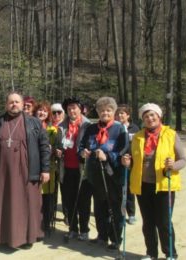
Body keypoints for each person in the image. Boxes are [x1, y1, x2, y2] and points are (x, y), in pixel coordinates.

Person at [0, 92, 50, 249]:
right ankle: (1, 237)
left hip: (27, 171)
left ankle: (26, 237)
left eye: (17, 102)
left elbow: (44, 147)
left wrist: (45, 169)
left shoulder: (34, 123)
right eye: (11, 102)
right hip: (1, 172)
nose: (14, 104)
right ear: (6, 105)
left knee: (27, 204)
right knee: (2, 203)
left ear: (22, 104)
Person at [121, 103, 186, 260]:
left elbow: (183, 160)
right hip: (143, 185)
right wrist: (127, 162)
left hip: (164, 185)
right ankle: (151, 253)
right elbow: (133, 160)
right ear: (142, 120)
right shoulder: (137, 137)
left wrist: (173, 165)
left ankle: (170, 253)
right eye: (146, 116)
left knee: (164, 222)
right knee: (148, 222)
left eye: (152, 115)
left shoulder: (171, 134)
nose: (149, 119)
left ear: (159, 117)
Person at [79, 96, 128, 250]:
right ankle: (102, 236)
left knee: (114, 207)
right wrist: (83, 152)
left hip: (113, 174)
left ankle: (115, 238)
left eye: (108, 110)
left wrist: (108, 156)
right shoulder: (91, 128)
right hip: (95, 174)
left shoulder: (120, 128)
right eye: (101, 110)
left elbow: (124, 150)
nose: (104, 113)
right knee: (99, 207)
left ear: (113, 112)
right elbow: (81, 145)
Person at [55, 97, 92, 241]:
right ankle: (72, 228)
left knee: (83, 201)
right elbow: (60, 145)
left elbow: (93, 145)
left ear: (80, 109)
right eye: (69, 109)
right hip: (66, 168)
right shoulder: (61, 126)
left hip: (83, 170)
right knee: (69, 201)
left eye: (74, 108)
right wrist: (58, 151)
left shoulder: (88, 126)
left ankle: (84, 230)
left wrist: (87, 152)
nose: (72, 111)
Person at [34, 101, 57, 235]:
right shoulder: (29, 126)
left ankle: (46, 223)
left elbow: (57, 148)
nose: (41, 113)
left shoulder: (53, 129)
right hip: (33, 168)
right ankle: (35, 223)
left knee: (47, 198)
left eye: (44, 111)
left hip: (48, 168)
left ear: (48, 114)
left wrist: (52, 150)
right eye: (39, 110)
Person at [115, 104, 140, 225]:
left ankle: (131, 213)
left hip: (131, 162)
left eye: (122, 113)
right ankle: (119, 212)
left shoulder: (134, 128)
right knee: (118, 189)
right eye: (118, 113)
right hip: (117, 161)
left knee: (129, 189)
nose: (119, 116)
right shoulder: (114, 127)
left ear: (128, 115)